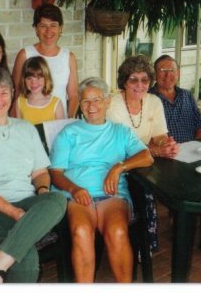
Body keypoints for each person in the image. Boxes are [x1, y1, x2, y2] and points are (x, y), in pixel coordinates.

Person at [0, 67, 67, 283]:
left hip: (25, 202)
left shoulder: (26, 129)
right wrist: (14, 212)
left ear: (12, 94)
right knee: (25, 259)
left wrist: (42, 193)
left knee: (57, 198)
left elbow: (40, 172)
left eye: (4, 93)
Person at [49, 77, 153, 283]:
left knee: (117, 231)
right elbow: (55, 172)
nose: (91, 106)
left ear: (107, 102)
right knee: (81, 231)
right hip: (76, 194)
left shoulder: (120, 131)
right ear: (80, 104)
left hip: (111, 194)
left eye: (97, 100)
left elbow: (146, 156)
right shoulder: (69, 133)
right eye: (85, 101)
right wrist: (74, 189)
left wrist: (118, 168)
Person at [10, 3, 78, 118]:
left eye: (53, 25)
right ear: (36, 29)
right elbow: (15, 93)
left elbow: (73, 96)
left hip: (57, 122)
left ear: (60, 28)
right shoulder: (25, 54)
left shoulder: (68, 57)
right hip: (28, 121)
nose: (48, 31)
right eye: (43, 26)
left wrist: (68, 121)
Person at [106, 54, 180, 158]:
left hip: (144, 160)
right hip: (118, 162)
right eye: (133, 80)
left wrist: (166, 144)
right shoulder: (112, 104)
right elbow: (122, 145)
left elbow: (159, 136)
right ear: (124, 82)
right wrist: (156, 151)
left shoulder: (154, 102)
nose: (139, 85)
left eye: (144, 80)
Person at [149, 54, 201, 143]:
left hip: (190, 152)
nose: (168, 75)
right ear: (155, 74)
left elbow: (200, 126)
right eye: (162, 70)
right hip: (163, 153)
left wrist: (193, 146)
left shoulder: (187, 95)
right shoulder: (147, 98)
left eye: (172, 70)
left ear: (178, 73)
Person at [14, 56, 65, 124]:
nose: (33, 83)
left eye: (38, 78)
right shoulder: (20, 101)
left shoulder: (56, 103)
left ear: (46, 78)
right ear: (24, 80)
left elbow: (60, 129)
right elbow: (18, 128)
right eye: (29, 78)